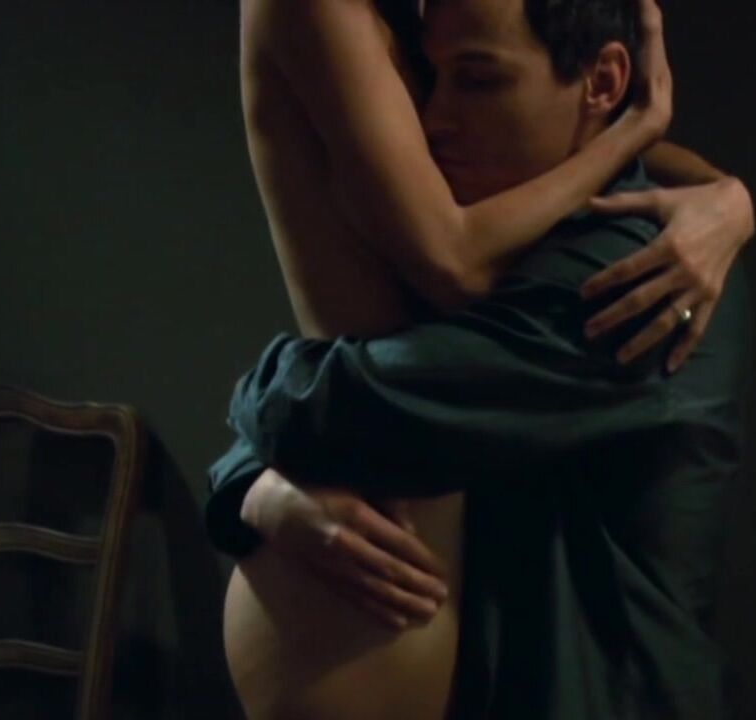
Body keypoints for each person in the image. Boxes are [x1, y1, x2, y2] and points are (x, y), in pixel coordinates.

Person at [208, 0, 754, 718]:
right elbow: (393, 407)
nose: (433, 122)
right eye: (429, 81)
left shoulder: (628, 272)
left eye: (478, 81)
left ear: (602, 83)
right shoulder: (554, 234)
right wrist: (256, 488)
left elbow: (344, 408)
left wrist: (249, 476)